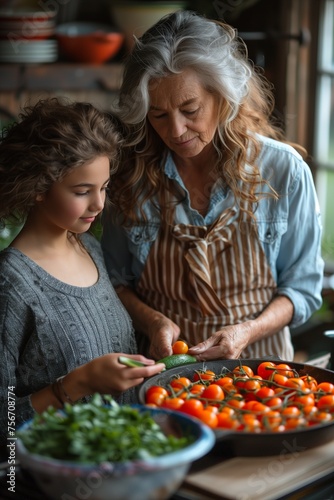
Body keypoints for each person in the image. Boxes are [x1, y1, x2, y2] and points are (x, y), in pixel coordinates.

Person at [101, 10, 324, 363]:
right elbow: (113, 280)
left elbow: (302, 291)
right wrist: (154, 321)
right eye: (158, 114)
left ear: (224, 97)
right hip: (162, 372)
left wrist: (247, 330)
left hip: (262, 376)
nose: (175, 131)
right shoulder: (130, 175)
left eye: (190, 109)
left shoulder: (284, 171)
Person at [0, 97, 165, 447]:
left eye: (103, 187)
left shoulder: (88, 246)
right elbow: (4, 422)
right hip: (50, 475)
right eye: (82, 191)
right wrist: (79, 384)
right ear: (38, 187)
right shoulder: (10, 284)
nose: (99, 204)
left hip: (123, 462)